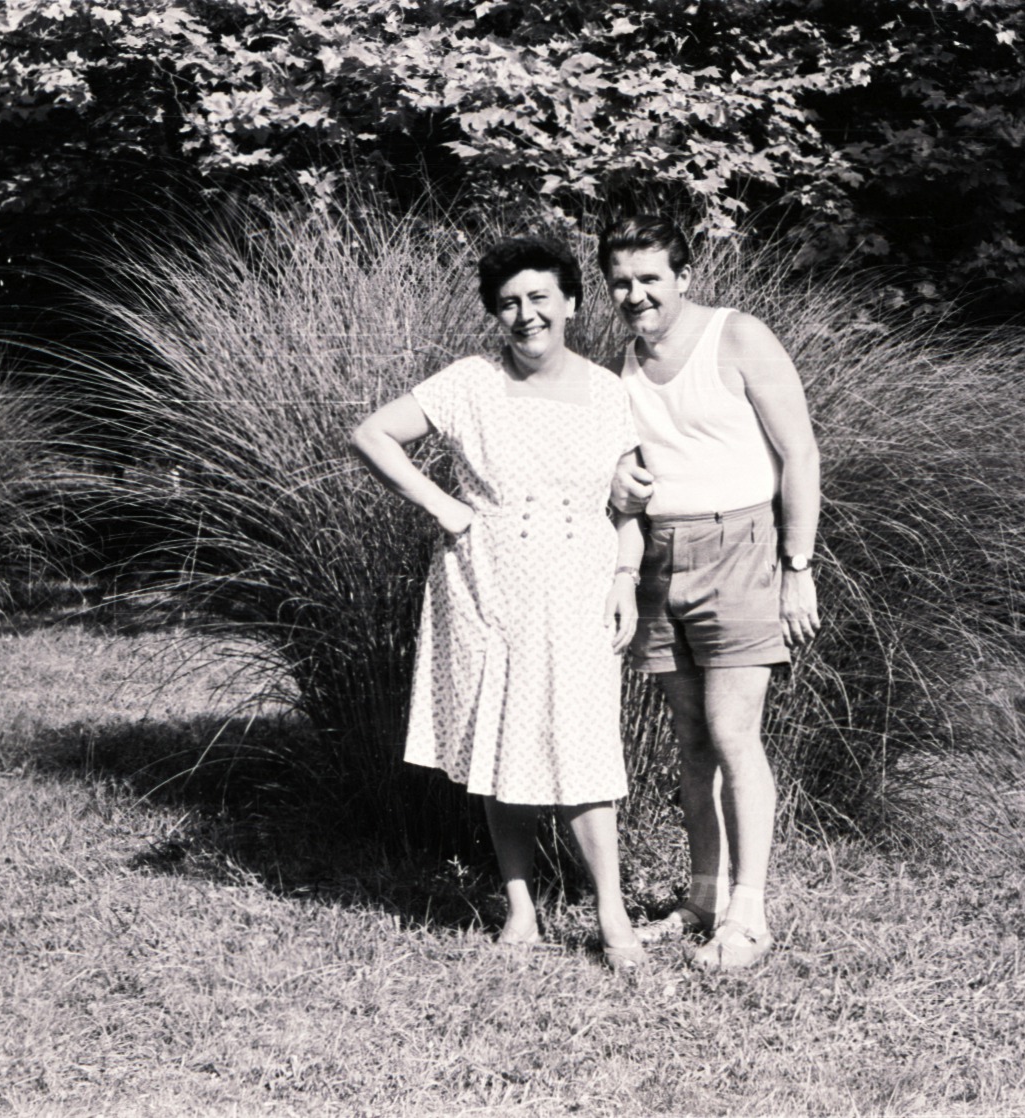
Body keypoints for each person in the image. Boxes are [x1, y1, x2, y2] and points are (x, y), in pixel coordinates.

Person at [349, 236, 647, 971]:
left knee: (581, 745)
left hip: (580, 582)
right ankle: (521, 907)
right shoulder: (470, 382)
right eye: (509, 302)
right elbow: (372, 434)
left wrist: (625, 577)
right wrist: (444, 507)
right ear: (495, 313)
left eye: (540, 297)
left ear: (572, 303)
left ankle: (611, 913)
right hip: (486, 582)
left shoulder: (611, 392)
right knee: (500, 738)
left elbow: (629, 503)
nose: (526, 314)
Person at [599, 215, 822, 970]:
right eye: (622, 282)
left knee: (734, 733)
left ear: (683, 276)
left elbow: (799, 454)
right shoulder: (622, 365)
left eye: (650, 279)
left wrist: (798, 567)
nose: (636, 295)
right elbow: (625, 476)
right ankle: (703, 898)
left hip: (744, 546)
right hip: (662, 556)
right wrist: (616, 490)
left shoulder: (738, 336)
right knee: (692, 743)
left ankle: (748, 916)